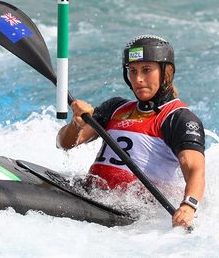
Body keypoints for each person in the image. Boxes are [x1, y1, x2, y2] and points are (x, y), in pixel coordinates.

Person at [56, 35, 205, 228]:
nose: (138, 79)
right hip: (91, 194)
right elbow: (64, 143)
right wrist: (76, 124)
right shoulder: (115, 107)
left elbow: (195, 170)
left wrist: (188, 206)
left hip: (135, 214)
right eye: (132, 71)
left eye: (146, 70)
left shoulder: (179, 118)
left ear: (166, 73)